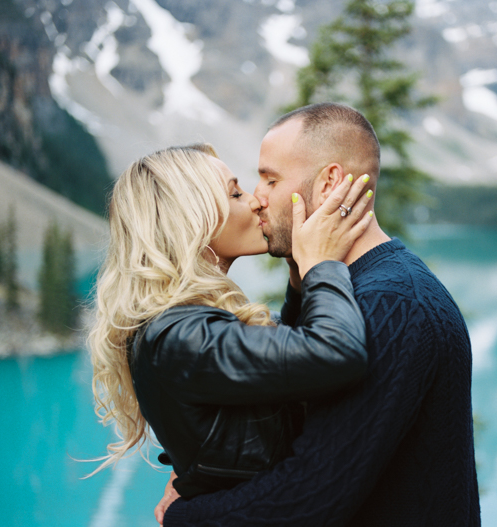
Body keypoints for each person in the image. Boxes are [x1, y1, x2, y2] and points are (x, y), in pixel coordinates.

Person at [156, 103, 481, 526]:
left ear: (328, 184)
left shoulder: (392, 304)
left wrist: (184, 515)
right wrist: (302, 271)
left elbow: (310, 498)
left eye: (270, 179)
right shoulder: (361, 291)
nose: (258, 197)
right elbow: (289, 417)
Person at [87, 143, 376, 498]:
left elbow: (284, 365)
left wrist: (300, 279)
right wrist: (321, 264)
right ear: (193, 218)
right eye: (235, 193)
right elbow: (334, 351)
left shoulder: (180, 325)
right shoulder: (182, 336)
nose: (255, 201)